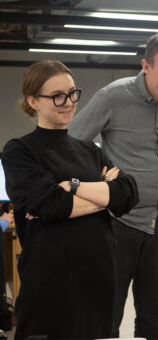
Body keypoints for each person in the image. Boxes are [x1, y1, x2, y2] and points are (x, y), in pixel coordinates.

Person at [68, 32, 158, 339]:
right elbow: (71, 145)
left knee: (154, 319)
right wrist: (98, 189)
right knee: (107, 317)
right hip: (117, 223)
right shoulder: (113, 96)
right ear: (146, 66)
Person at [2, 60, 139, 340]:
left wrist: (73, 187)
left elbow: (127, 194)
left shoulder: (90, 149)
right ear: (33, 101)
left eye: (72, 93)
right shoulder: (19, 150)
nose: (68, 102)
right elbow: (49, 203)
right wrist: (102, 195)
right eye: (57, 96)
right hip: (49, 279)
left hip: (98, 276)